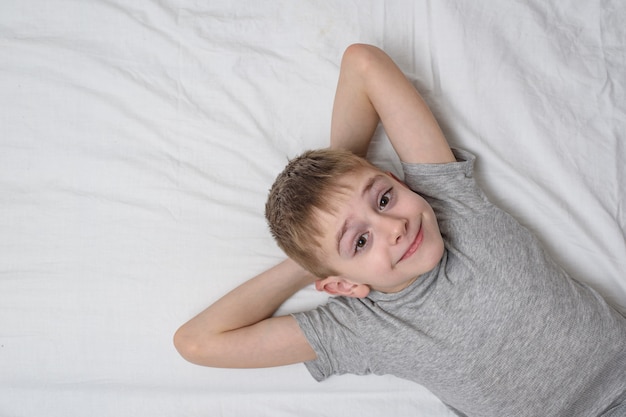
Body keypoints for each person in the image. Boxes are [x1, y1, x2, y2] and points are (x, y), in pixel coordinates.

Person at [174, 44, 626, 416]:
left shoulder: (448, 204)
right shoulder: (359, 327)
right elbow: (197, 342)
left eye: (384, 198)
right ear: (342, 284)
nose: (394, 227)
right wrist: (306, 261)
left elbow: (363, 63)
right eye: (360, 241)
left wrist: (339, 179)